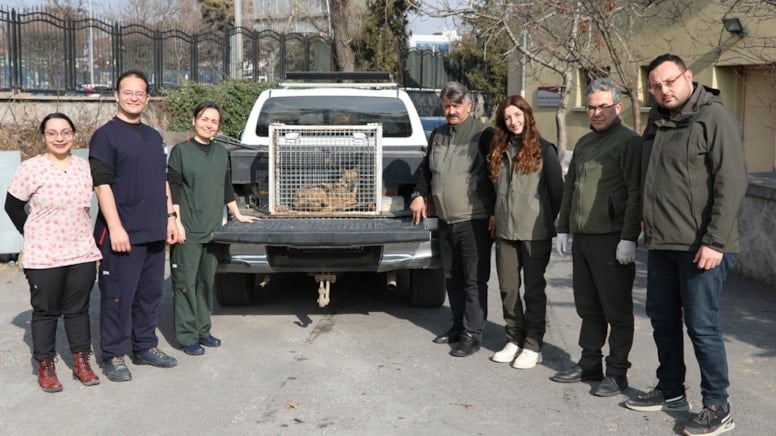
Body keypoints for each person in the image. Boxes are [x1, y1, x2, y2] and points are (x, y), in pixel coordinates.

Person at [624, 54, 746, 436]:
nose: (663, 90)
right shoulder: (657, 121)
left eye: (669, 82)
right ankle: (672, 390)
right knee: (661, 318)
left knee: (701, 325)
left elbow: (732, 182)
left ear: (688, 76)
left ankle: (717, 405)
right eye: (656, 87)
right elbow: (648, 180)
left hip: (702, 247)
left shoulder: (714, 118)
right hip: (662, 244)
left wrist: (715, 241)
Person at [550, 77, 641, 397]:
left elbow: (635, 192)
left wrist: (629, 237)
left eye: (604, 106)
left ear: (618, 106)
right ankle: (590, 363)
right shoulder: (586, 143)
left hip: (611, 239)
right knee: (588, 307)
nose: (597, 112)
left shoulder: (629, 141)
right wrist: (562, 227)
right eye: (591, 107)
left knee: (616, 310)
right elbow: (570, 187)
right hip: (584, 238)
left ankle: (617, 373)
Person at [89, 70, 179, 382]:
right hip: (122, 233)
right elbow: (102, 186)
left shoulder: (154, 137)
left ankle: (144, 346)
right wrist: (115, 227)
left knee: (149, 294)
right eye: (128, 92)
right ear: (116, 95)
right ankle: (112, 354)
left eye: (140, 92)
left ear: (147, 97)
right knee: (117, 296)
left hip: (153, 231)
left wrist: (169, 219)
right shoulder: (105, 136)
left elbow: (161, 182)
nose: (134, 97)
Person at [4, 113, 102, 392]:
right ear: (44, 136)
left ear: (73, 134)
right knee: (46, 311)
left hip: (81, 251)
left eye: (65, 132)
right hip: (44, 254)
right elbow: (11, 206)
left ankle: (81, 362)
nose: (59, 138)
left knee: (78, 310)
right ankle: (45, 365)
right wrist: (33, 233)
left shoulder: (84, 167)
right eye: (52, 133)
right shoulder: (30, 168)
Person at [167, 102, 259, 356]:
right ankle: (187, 336)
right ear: (194, 120)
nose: (209, 125)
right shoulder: (181, 151)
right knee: (185, 283)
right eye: (205, 119)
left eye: (214, 122)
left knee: (206, 282)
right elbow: (172, 187)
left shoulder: (220, 152)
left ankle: (203, 329)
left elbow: (225, 185)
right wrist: (175, 220)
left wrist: (237, 213)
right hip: (189, 229)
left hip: (212, 230)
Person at [410, 81, 495, 357]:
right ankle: (457, 327)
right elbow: (426, 170)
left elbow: (498, 176)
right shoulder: (438, 135)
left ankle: (473, 334)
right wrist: (419, 194)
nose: (451, 111)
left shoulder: (484, 135)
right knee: (452, 278)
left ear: (468, 106)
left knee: (473, 280)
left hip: (474, 221)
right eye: (446, 106)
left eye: (456, 106)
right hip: (446, 221)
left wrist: (496, 212)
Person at [487, 95, 563, 369]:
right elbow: (494, 189)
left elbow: (557, 193)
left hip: (534, 232)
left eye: (517, 116)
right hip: (505, 232)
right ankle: (513, 339)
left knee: (533, 290)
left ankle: (533, 344)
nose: (513, 122)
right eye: (507, 117)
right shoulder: (498, 150)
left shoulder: (544, 150)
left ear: (527, 116)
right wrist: (496, 213)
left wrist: (546, 222)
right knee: (508, 288)